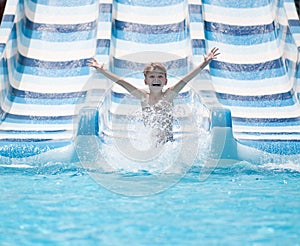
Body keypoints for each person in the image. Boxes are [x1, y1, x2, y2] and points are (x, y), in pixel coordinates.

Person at [87, 47, 220, 145]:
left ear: (165, 81)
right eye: (152, 76)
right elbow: (121, 82)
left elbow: (186, 79)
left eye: (160, 76)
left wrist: (204, 63)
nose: (156, 79)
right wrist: (101, 70)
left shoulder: (169, 95)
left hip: (168, 144)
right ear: (146, 81)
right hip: (149, 144)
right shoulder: (142, 96)